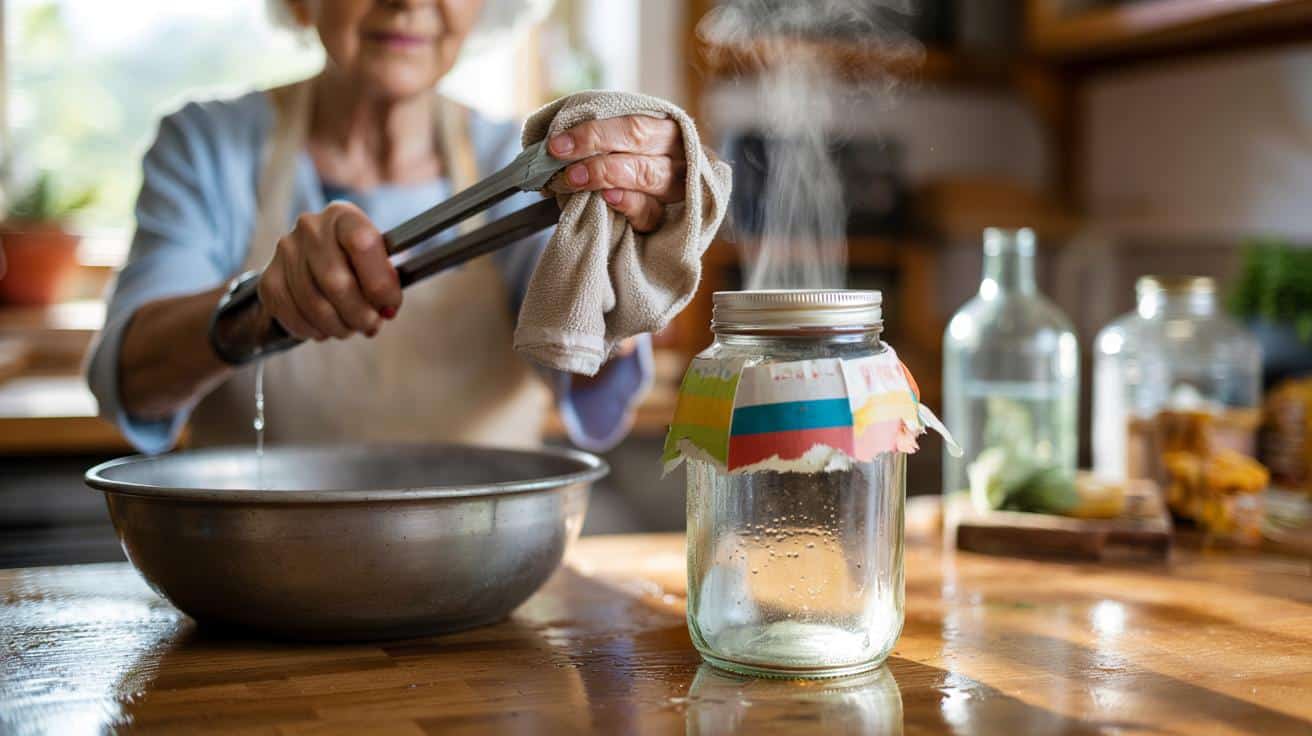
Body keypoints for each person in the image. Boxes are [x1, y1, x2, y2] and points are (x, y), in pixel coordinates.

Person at [86, 0, 691, 454]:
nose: (408, 2)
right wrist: (259, 309)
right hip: (259, 563)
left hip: (485, 560)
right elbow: (131, 382)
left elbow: (584, 360)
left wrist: (632, 260)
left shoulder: (524, 164)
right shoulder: (208, 147)